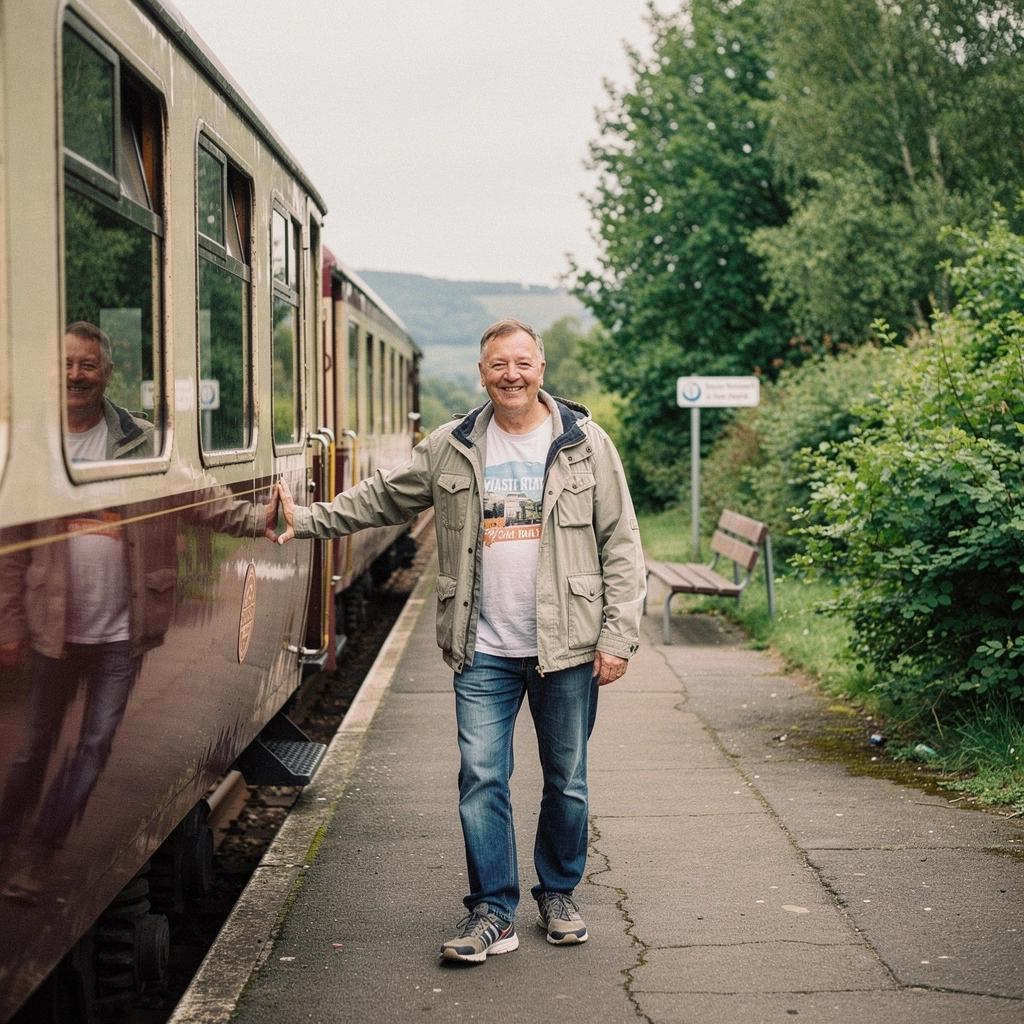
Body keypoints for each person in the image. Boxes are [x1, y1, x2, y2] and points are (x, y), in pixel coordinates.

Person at [271, 318, 645, 963]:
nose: (511, 374)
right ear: (482, 373)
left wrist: (618, 638)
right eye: (499, 364)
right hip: (484, 647)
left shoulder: (587, 446)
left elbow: (622, 545)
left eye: (522, 362)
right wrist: (305, 520)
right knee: (481, 778)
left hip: (569, 648)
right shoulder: (454, 445)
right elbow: (386, 498)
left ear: (541, 368)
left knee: (568, 780)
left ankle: (558, 893)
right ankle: (493, 911)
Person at [0, 322, 270, 902]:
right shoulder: (32, 444)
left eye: (88, 366)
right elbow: (9, 549)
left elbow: (204, 499)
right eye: (68, 364)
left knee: (95, 745)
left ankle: (40, 856)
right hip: (52, 629)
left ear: (107, 374)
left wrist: (263, 519)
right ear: (54, 371)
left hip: (121, 632)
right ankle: (5, 840)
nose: (77, 375)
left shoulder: (141, 442)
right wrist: (10, 623)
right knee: (33, 745)